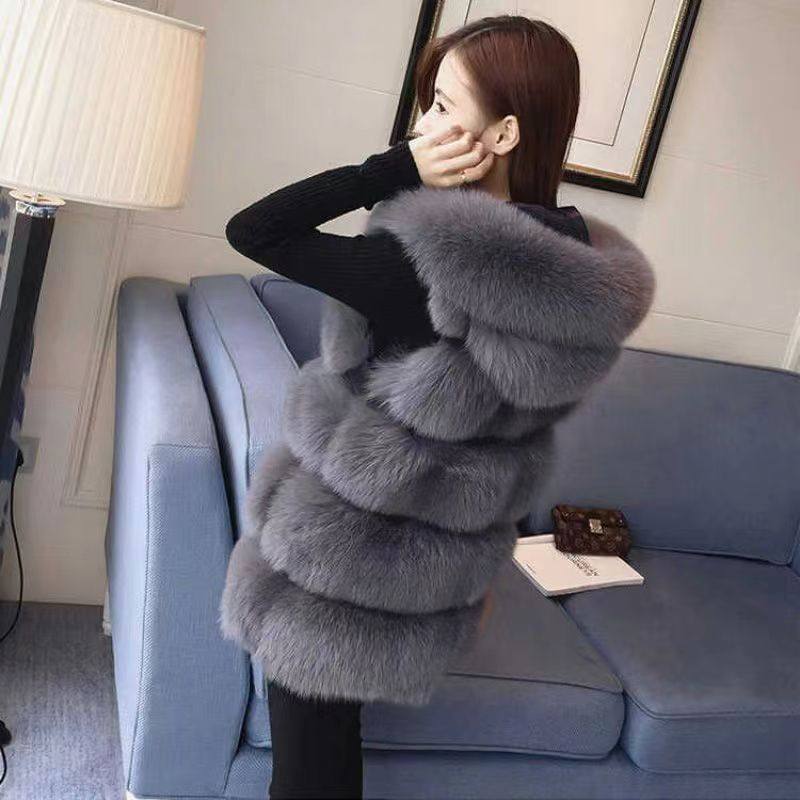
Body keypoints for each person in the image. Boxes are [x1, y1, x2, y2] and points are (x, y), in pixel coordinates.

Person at [220, 14, 654, 800]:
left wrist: (388, 170)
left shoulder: (418, 262)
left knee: (309, 769)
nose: (423, 127)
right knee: (327, 755)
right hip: (434, 568)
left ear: (504, 133)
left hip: (337, 557)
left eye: (444, 107)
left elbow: (255, 229)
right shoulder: (574, 275)